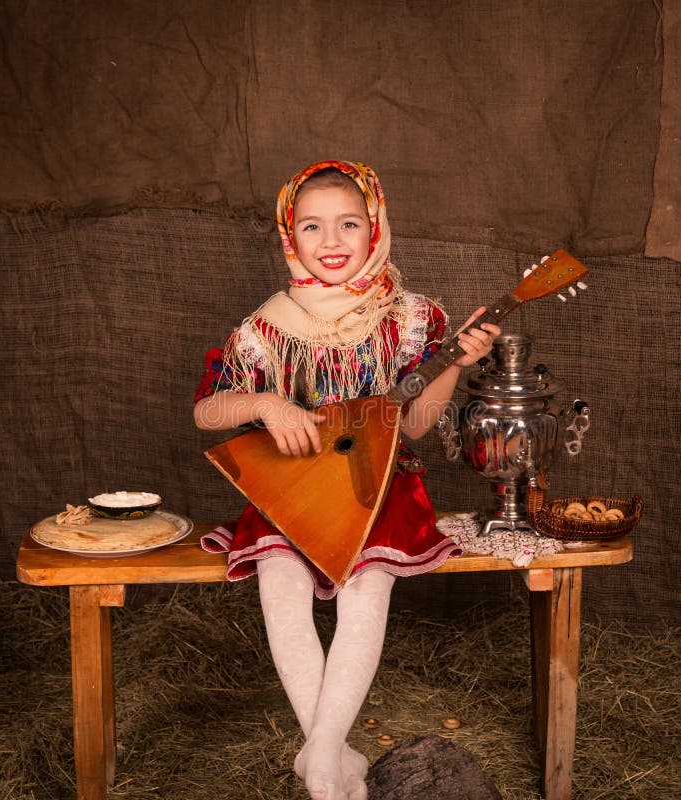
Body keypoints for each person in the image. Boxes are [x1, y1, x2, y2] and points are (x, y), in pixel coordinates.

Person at [193, 160, 500, 800]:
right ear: (289, 237)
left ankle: (322, 762)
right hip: (294, 489)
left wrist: (454, 364)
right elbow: (208, 410)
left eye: (347, 224)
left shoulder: (413, 319)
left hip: (379, 487)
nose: (330, 242)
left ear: (375, 228)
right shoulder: (268, 325)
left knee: (367, 586)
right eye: (311, 227)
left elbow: (413, 423)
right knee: (279, 584)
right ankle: (331, 756)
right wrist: (266, 405)